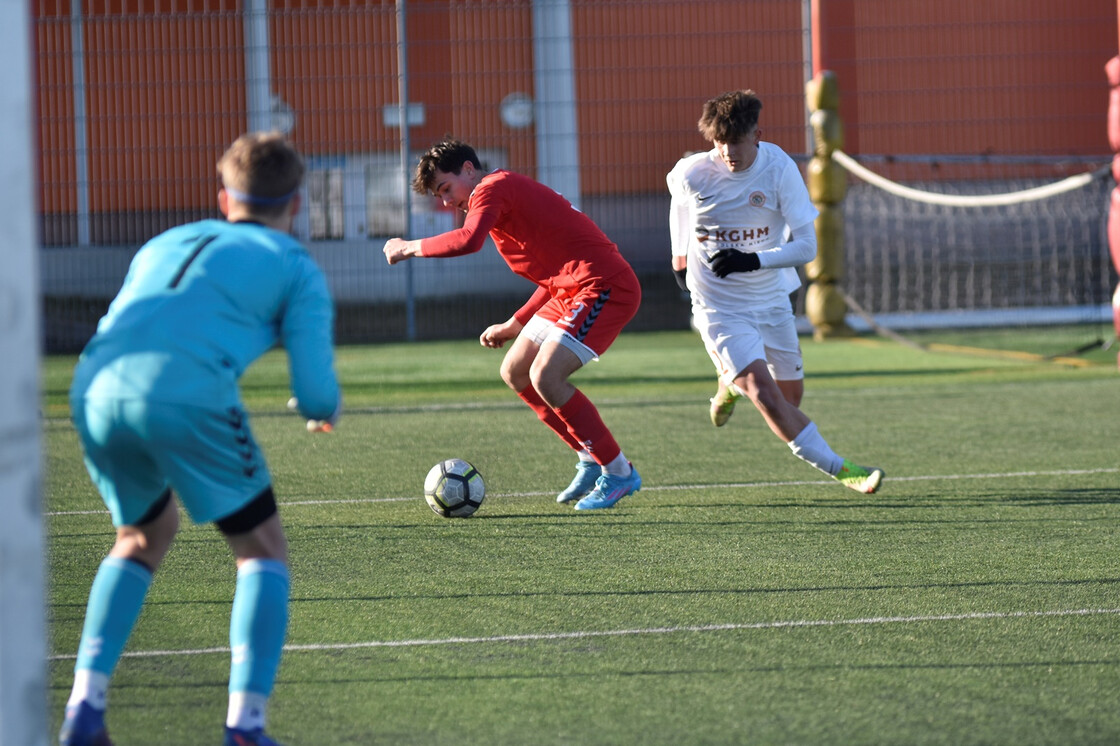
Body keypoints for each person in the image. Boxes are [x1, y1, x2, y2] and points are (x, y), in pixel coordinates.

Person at [60, 132, 341, 746]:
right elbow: (317, 393)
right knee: (262, 550)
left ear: (223, 197)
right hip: (186, 393)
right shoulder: (294, 264)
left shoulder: (165, 241)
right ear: (295, 204)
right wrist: (320, 410)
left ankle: (85, 708)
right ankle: (245, 725)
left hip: (93, 389)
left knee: (141, 536)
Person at [383, 138, 642, 510]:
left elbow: (468, 241)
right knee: (516, 371)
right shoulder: (497, 196)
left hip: (604, 286)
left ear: (469, 170)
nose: (445, 202)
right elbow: (552, 278)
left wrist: (408, 247)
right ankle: (588, 455)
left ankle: (618, 472)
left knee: (546, 376)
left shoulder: (492, 188)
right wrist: (514, 323)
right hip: (569, 291)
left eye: (446, 189)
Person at [666, 90, 883, 494]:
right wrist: (679, 258)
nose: (729, 151)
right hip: (718, 306)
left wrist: (752, 260)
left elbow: (807, 247)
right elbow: (679, 207)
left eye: (737, 140)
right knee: (766, 396)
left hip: (770, 299)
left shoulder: (779, 168)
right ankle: (843, 469)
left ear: (757, 135)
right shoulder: (692, 173)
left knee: (790, 400)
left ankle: (729, 384)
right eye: (720, 142)